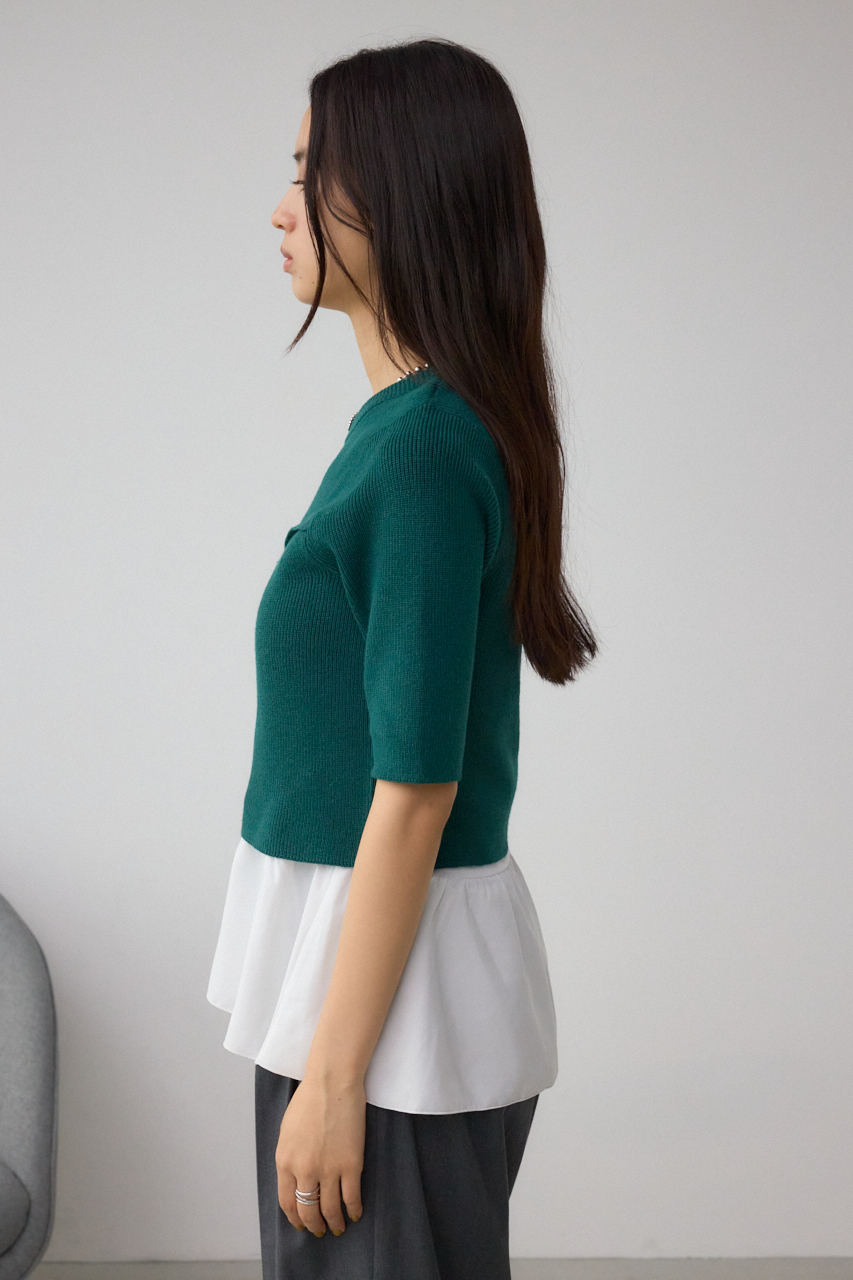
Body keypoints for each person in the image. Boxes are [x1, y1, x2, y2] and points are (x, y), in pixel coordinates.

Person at [207, 36, 598, 1280]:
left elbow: (416, 790)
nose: (281, 207)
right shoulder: (407, 429)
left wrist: (335, 1077)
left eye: (309, 172)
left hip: (384, 1014)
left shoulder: (423, 448)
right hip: (363, 987)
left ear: (402, 195)